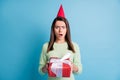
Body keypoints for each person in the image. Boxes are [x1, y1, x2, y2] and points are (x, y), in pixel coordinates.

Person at [38, 5, 82, 80]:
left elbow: (79, 70)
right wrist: (46, 67)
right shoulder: (46, 46)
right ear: (53, 29)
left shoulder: (74, 46)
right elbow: (40, 71)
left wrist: (72, 66)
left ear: (67, 29)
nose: (60, 30)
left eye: (63, 27)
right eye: (57, 27)